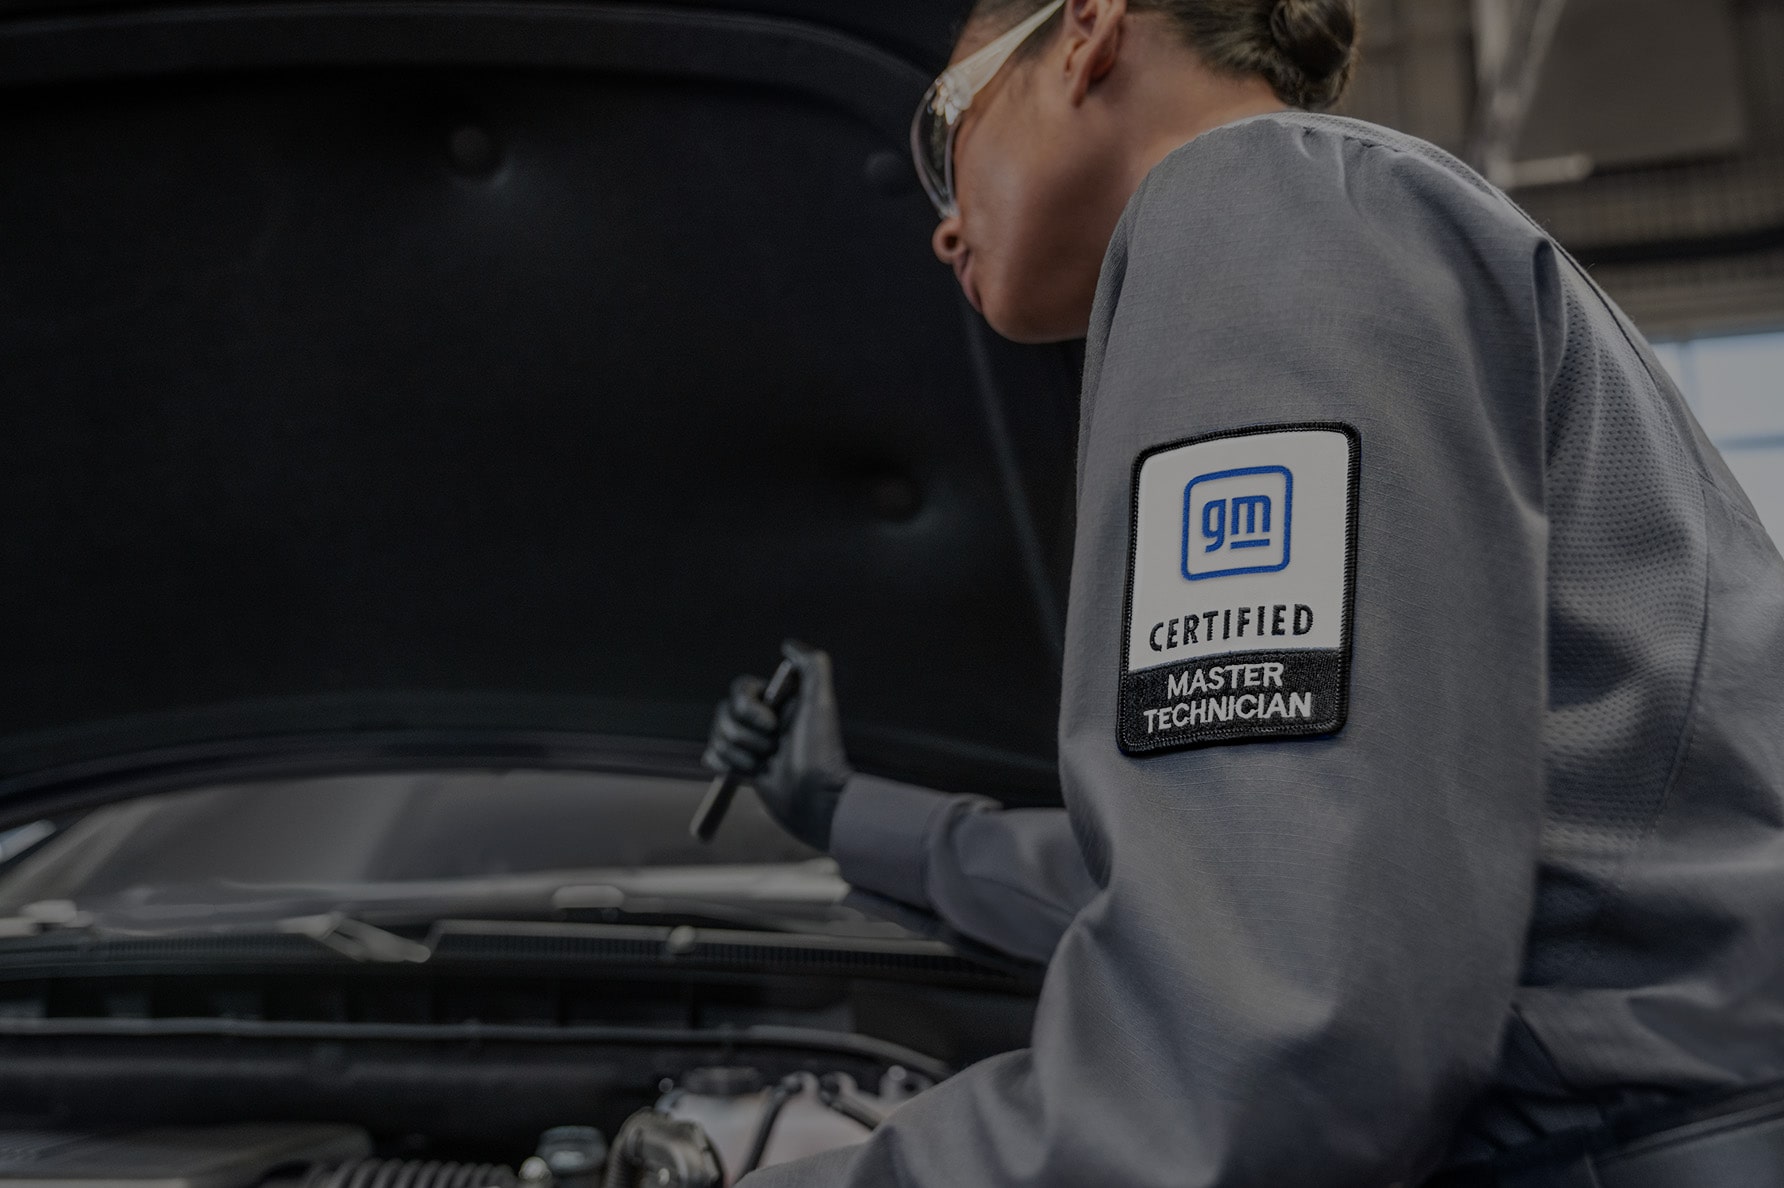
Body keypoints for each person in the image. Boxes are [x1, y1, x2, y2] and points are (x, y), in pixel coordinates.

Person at [703, 0, 1784, 1183]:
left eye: (940, 131)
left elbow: (1266, 1047)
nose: (939, 226)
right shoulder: (1321, 226)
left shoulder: (1258, 214)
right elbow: (1227, 876)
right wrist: (847, 813)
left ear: (1087, 31)